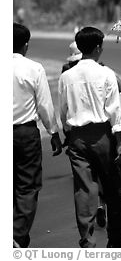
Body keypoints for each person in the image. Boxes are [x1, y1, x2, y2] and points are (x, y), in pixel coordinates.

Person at [58, 27, 121, 248]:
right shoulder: (106, 73)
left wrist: (67, 133)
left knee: (84, 188)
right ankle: (117, 236)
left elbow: (63, 110)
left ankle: (87, 237)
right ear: (99, 47)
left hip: (77, 137)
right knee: (113, 187)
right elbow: (115, 112)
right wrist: (119, 143)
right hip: (102, 135)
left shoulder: (66, 77)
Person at [13, 23, 63, 248]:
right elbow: (44, 104)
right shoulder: (33, 68)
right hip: (24, 133)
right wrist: (53, 132)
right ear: (25, 45)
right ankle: (17, 234)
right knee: (27, 186)